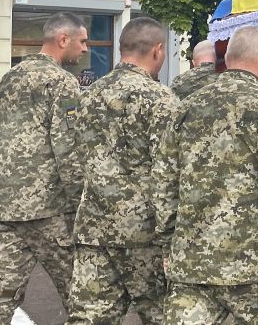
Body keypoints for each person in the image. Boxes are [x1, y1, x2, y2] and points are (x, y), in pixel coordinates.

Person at [153, 27, 258, 323]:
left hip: (191, 259)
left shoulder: (185, 107)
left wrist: (167, 245)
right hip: (253, 265)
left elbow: (164, 182)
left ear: (227, 57)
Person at [67, 17, 179, 325]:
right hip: (144, 233)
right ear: (158, 50)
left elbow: (75, 159)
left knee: (88, 317)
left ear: (121, 49)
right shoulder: (160, 99)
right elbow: (170, 173)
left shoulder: (89, 95)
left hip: (95, 228)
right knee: (161, 313)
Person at [0, 13, 88, 325]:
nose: (85, 49)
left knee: (2, 296)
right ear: (63, 39)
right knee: (80, 296)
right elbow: (69, 150)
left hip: (7, 206)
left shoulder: (9, 78)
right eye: (82, 41)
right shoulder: (63, 83)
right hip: (48, 210)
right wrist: (82, 202)